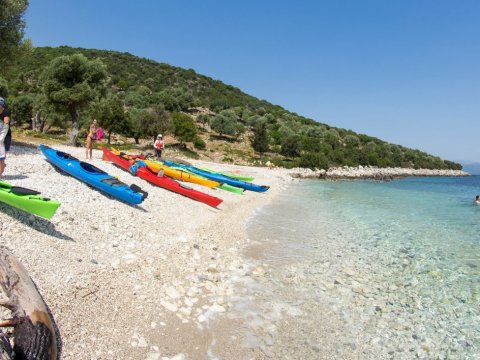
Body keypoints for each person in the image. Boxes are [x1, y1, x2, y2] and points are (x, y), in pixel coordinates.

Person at [0, 97, 11, 177]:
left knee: (1, 157)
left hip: (4, 136)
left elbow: (6, 123)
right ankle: (2, 166)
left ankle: (1, 170)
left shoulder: (6, 111)